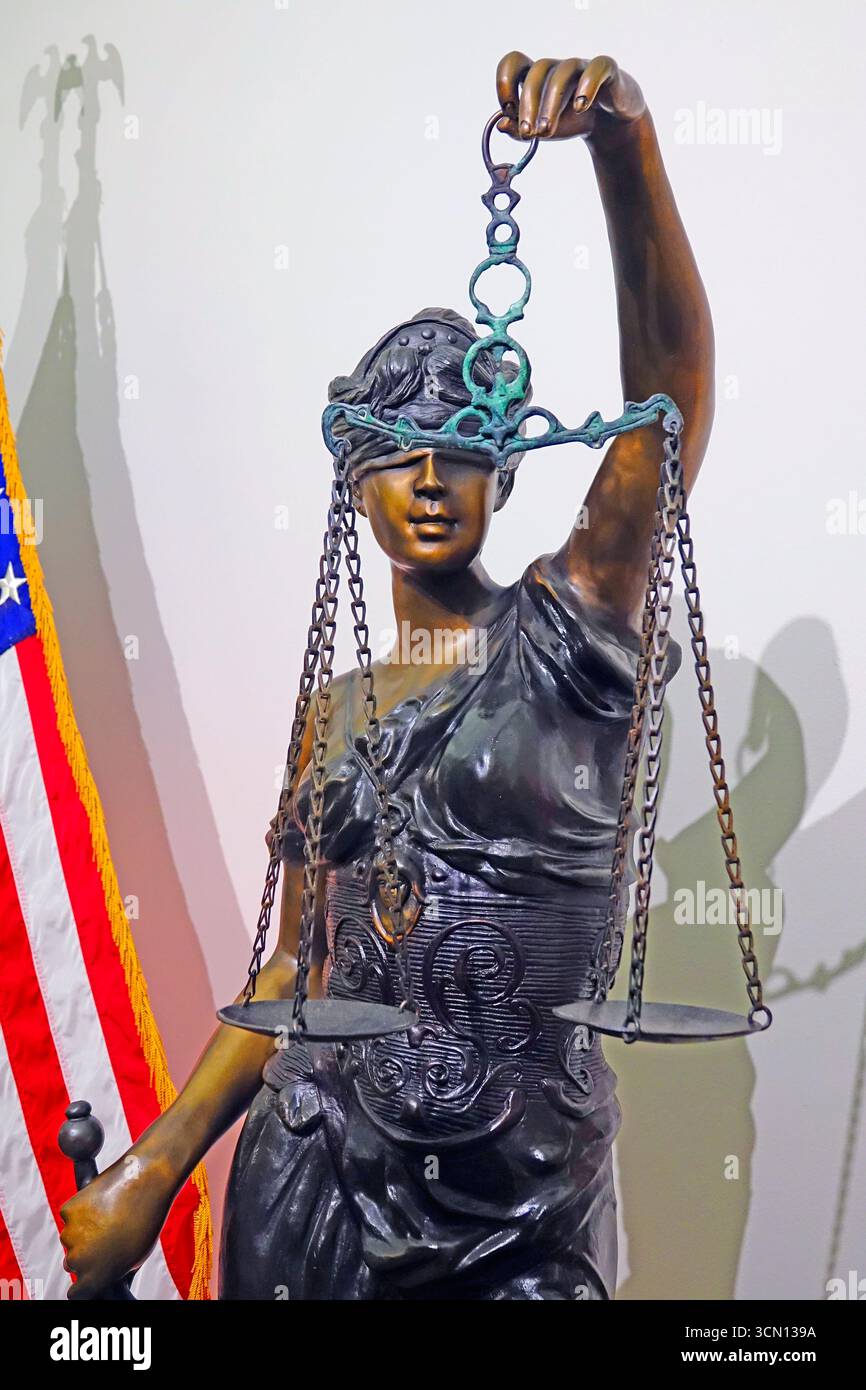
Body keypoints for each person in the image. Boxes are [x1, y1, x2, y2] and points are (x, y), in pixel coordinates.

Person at [59, 51, 713, 1301]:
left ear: (504, 474)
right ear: (354, 481)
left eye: (458, 451)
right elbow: (298, 970)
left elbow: (669, 401)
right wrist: (152, 1171)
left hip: (520, 1199)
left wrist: (621, 145)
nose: (426, 479)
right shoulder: (335, 711)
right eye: (397, 454)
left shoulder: (566, 636)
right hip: (315, 1182)